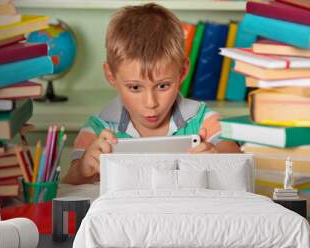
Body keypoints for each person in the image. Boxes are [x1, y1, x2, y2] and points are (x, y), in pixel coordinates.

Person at [62, 3, 240, 185]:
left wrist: (216, 157)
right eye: (135, 88)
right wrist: (83, 169)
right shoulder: (97, 131)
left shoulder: (202, 120)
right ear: (111, 76)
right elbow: (69, 185)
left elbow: (236, 157)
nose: (151, 103)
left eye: (162, 86)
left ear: (183, 72)